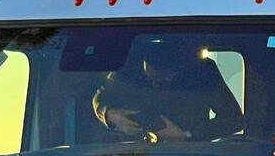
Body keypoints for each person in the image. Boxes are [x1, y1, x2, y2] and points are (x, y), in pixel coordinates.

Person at [92, 36, 245, 143]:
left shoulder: (202, 72)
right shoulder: (128, 71)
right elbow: (99, 99)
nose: (156, 85)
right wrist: (109, 115)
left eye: (163, 80)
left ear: (178, 68)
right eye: (150, 79)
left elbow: (234, 119)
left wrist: (187, 135)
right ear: (144, 63)